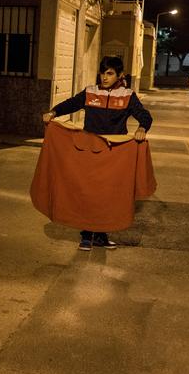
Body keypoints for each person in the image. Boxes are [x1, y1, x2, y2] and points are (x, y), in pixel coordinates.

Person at [41, 56, 152, 251]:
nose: (104, 77)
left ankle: (101, 234)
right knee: (87, 192)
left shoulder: (127, 95)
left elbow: (144, 115)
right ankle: (86, 234)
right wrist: (54, 112)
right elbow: (71, 103)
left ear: (119, 75)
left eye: (109, 73)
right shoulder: (90, 92)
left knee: (107, 195)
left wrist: (142, 127)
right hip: (89, 151)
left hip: (113, 154)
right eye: (102, 73)